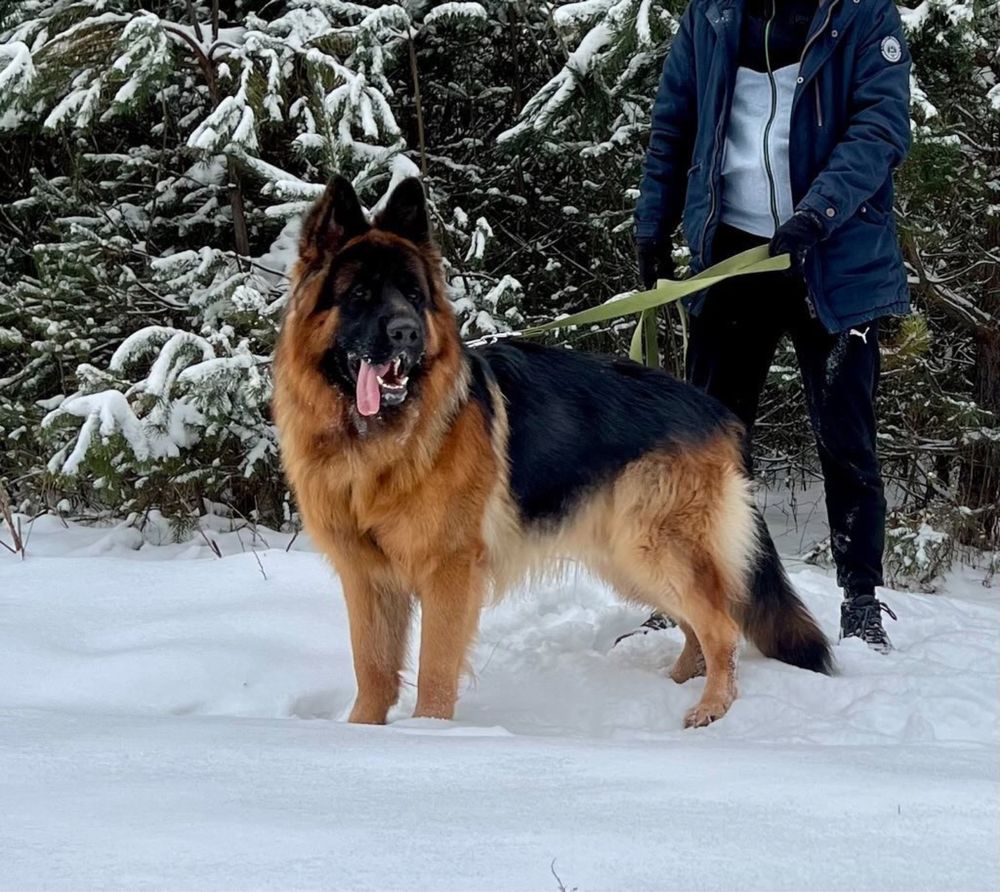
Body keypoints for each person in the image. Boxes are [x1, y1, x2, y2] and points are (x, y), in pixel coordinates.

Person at [630, 0, 911, 652]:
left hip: (835, 257)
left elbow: (880, 126)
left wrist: (819, 211)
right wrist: (654, 220)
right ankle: (698, 589)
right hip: (732, 255)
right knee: (708, 443)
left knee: (845, 437)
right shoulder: (712, 15)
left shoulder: (864, 15)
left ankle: (860, 600)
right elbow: (675, 122)